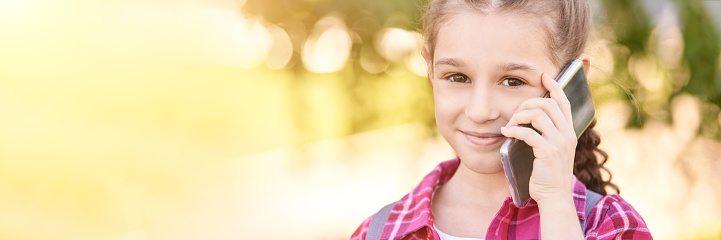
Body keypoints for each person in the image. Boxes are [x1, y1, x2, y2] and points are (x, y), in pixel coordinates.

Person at [350, 0, 652, 239]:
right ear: (430, 68)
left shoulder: (613, 227)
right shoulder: (379, 232)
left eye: (512, 81)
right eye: (458, 77)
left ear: (571, 82)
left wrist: (556, 205)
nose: (480, 111)